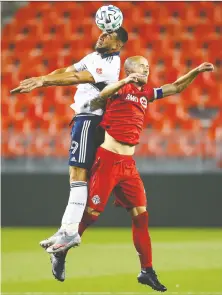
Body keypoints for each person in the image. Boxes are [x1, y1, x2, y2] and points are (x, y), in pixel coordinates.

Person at [53, 56, 213, 289]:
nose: (147, 69)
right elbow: (99, 99)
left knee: (141, 215)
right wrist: (123, 80)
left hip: (128, 164)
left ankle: (146, 270)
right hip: (108, 159)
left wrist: (196, 70)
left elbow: (176, 87)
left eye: (148, 66)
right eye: (142, 66)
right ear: (129, 70)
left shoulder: (145, 93)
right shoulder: (117, 88)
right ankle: (60, 250)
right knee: (92, 214)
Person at [10, 27, 128, 263]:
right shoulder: (94, 58)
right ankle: (67, 230)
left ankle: (70, 230)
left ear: (117, 46)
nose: (102, 36)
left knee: (78, 175)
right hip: (83, 119)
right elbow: (68, 70)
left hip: (91, 118)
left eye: (109, 36)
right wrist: (43, 78)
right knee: (77, 175)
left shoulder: (112, 63)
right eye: (103, 33)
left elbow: (77, 78)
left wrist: (43, 81)